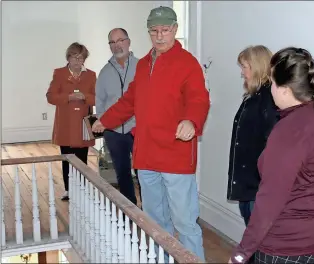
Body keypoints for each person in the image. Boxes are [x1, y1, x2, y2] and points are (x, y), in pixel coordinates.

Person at [92, 6, 210, 261]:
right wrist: (105, 120)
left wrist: (191, 121)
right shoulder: (144, 65)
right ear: (148, 32)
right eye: (154, 31)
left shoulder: (187, 63)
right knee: (155, 221)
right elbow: (129, 101)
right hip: (146, 156)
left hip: (176, 156)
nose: (159, 36)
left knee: (185, 222)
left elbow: (199, 99)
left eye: (165, 30)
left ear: (175, 30)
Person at [229, 47, 314, 264]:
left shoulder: (289, 131)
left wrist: (240, 254)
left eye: (272, 83)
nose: (270, 89)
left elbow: (269, 201)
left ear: (285, 89)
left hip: (291, 243)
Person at [227, 45, 279, 226]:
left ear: (257, 67)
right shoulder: (254, 97)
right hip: (248, 184)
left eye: (245, 67)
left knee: (258, 237)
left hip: (257, 186)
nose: (242, 73)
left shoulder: (269, 100)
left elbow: (272, 146)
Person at [46, 42, 96, 201]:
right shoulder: (59, 73)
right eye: (74, 57)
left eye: (80, 58)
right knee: (67, 157)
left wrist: (85, 97)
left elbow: (98, 99)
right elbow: (51, 97)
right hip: (66, 124)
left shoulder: (91, 75)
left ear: (84, 59)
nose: (77, 61)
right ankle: (68, 189)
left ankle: (82, 188)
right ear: (68, 58)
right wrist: (68, 97)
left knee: (82, 158)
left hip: (83, 124)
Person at [95, 28, 139, 206]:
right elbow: (100, 102)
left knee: (144, 172)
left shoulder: (141, 66)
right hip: (114, 132)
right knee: (122, 173)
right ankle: (131, 210)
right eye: (112, 42)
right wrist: (105, 125)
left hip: (138, 129)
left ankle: (150, 215)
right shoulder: (104, 72)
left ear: (128, 41)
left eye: (120, 40)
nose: (117, 45)